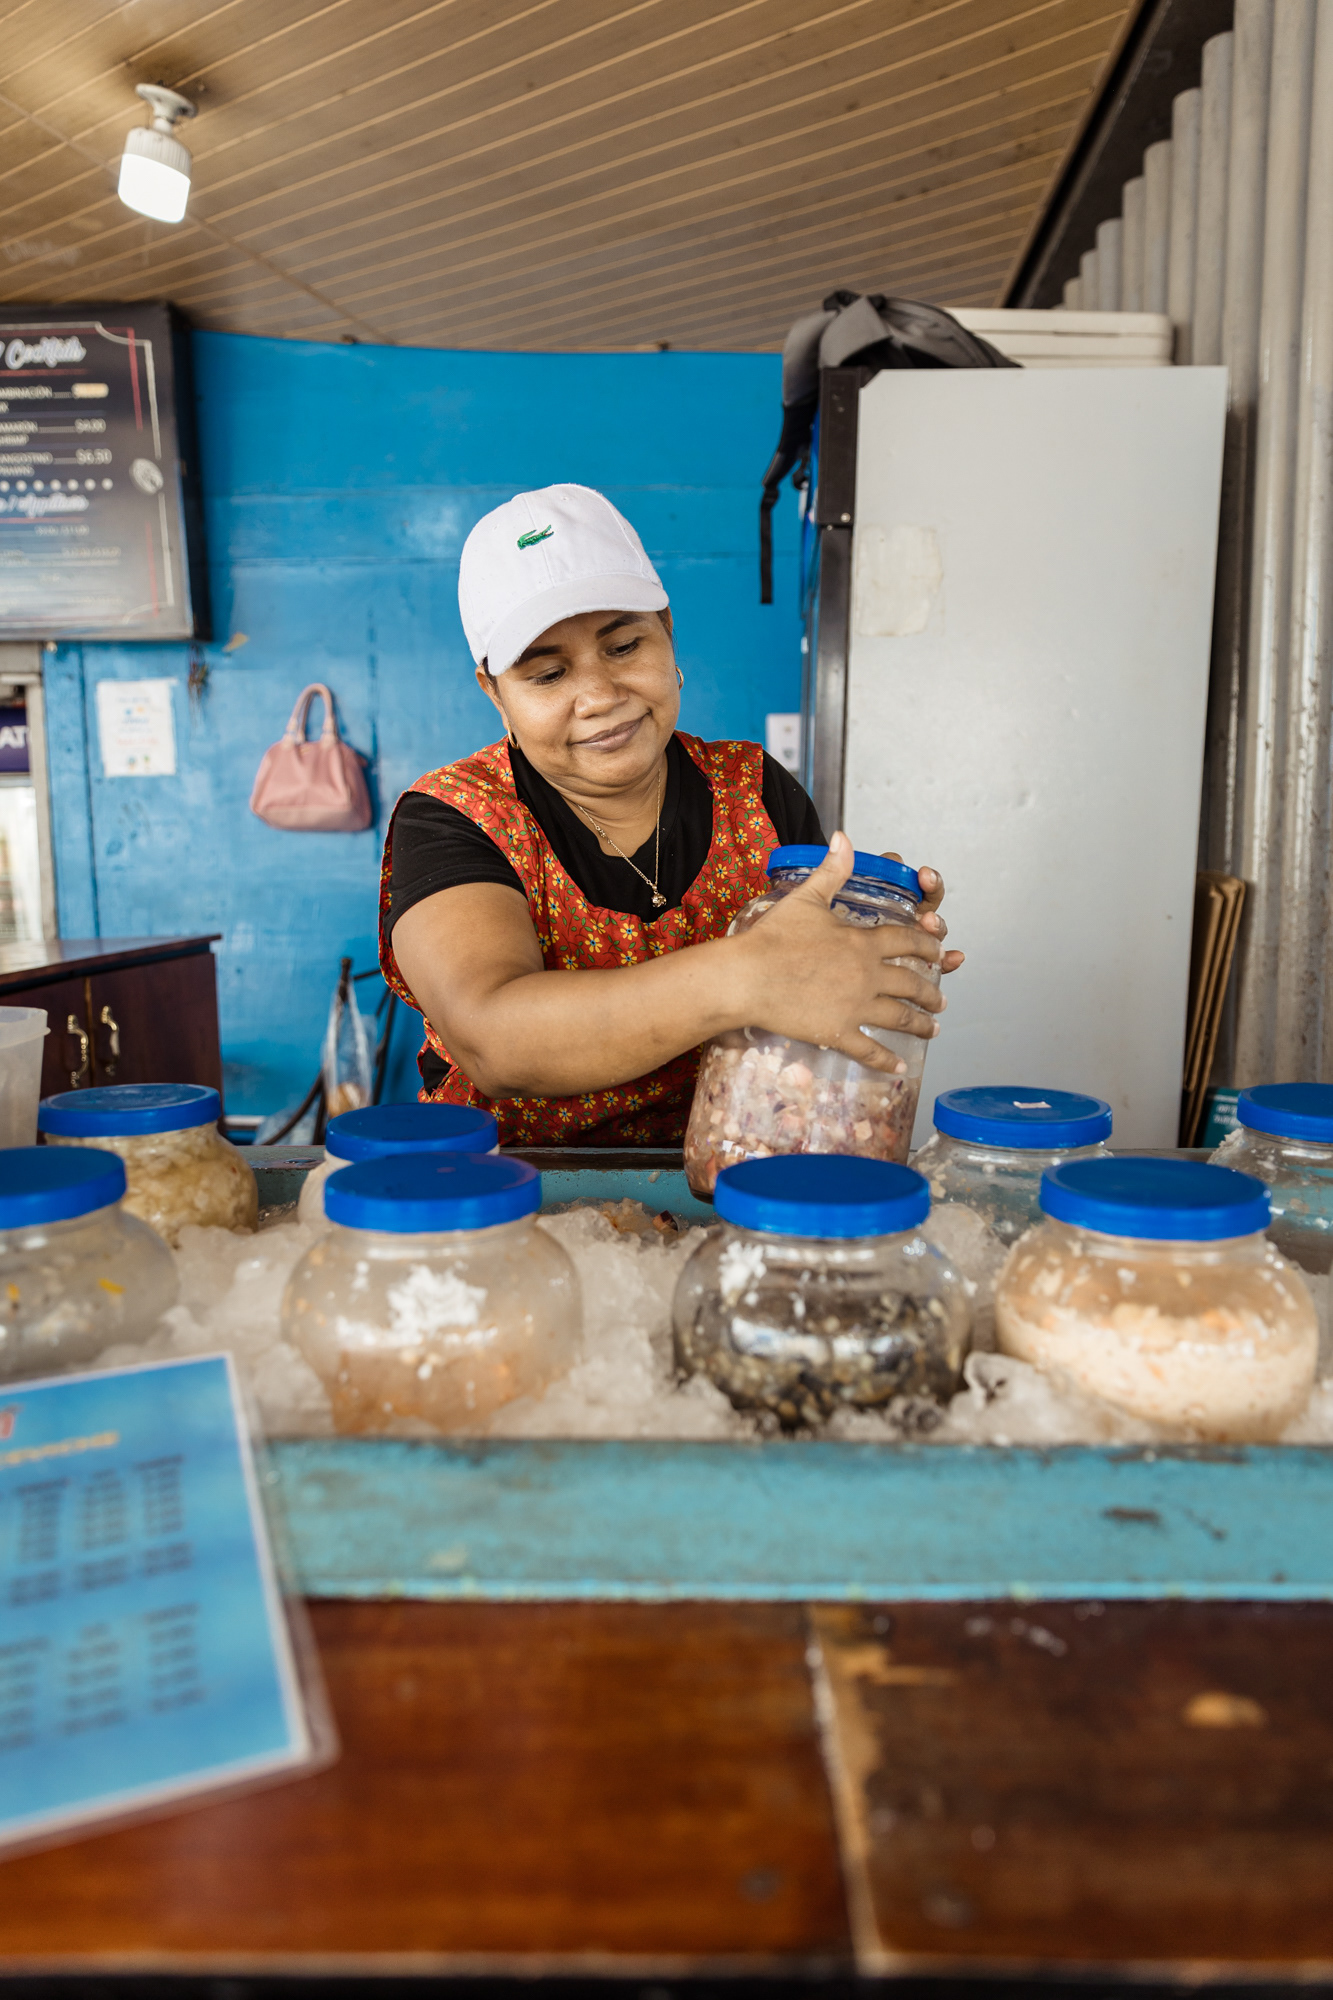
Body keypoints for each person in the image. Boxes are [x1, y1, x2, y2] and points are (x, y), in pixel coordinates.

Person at [380, 483, 962, 1145]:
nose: (599, 696)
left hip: (728, 1173)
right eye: (547, 675)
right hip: (507, 1196)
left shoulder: (754, 789)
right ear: (494, 692)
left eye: (624, 647)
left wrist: (870, 936)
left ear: (667, 632)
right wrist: (747, 975)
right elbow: (494, 1042)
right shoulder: (455, 816)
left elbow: (808, 1001)